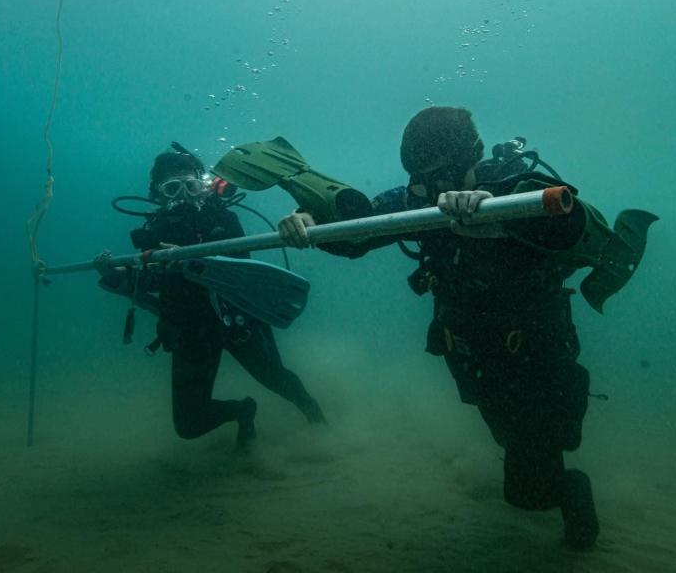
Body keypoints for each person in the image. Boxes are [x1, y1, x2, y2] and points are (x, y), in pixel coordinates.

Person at [276, 106, 656, 549]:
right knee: (510, 441)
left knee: (530, 486)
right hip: (472, 356)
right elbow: (356, 234)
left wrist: (499, 218)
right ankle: (542, 471)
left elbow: (574, 222)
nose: (434, 189)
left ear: (472, 157)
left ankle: (573, 498)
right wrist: (307, 219)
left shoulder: (514, 186)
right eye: (422, 179)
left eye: (444, 176)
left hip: (536, 356)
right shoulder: (416, 198)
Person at [97, 145, 326, 450]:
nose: (183, 196)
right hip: (190, 330)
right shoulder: (152, 233)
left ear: (203, 188)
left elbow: (243, 268)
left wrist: (189, 262)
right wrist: (113, 274)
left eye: (191, 186)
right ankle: (244, 411)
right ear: (158, 194)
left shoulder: (224, 219)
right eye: (172, 188)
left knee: (276, 379)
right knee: (188, 425)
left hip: (238, 320)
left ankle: (317, 418)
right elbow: (145, 283)